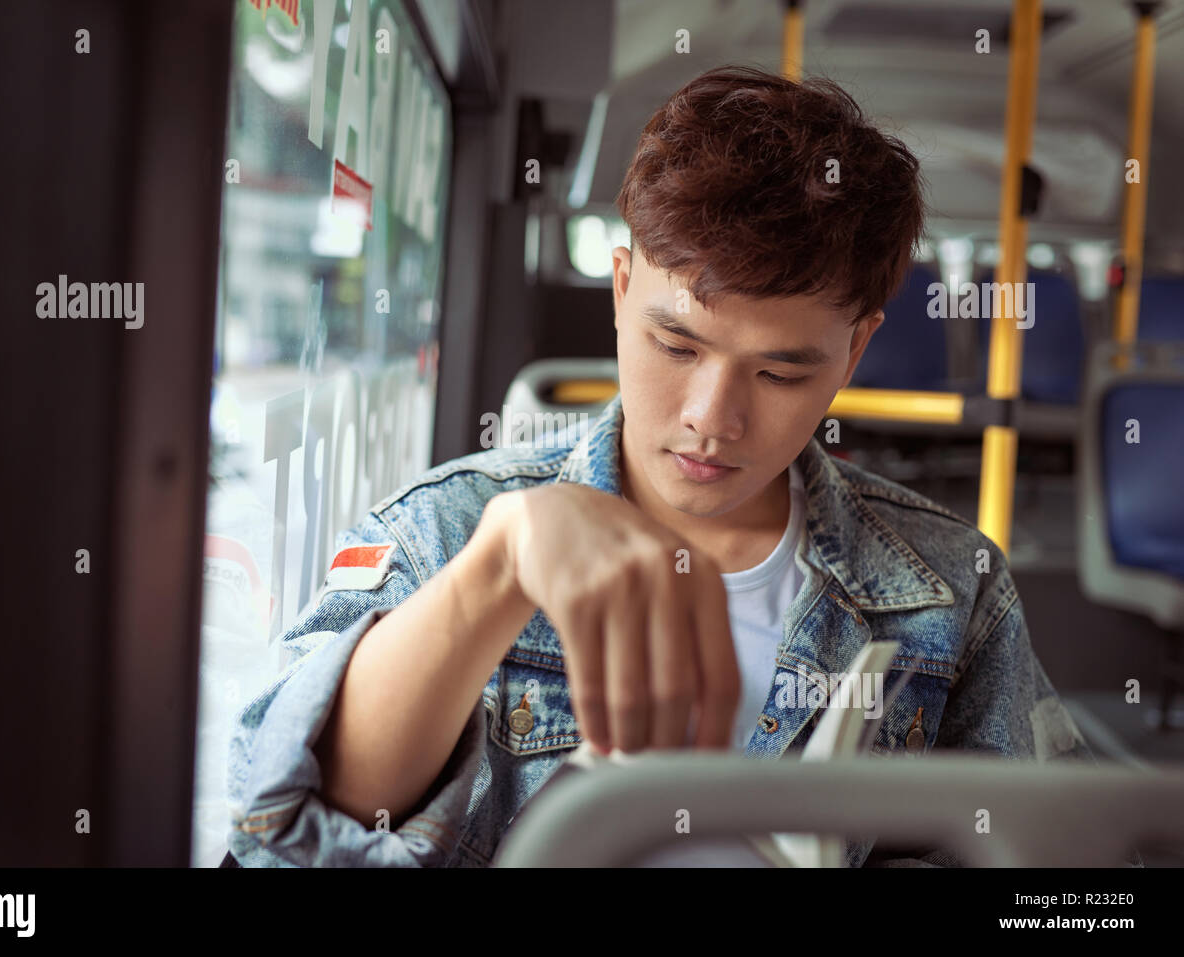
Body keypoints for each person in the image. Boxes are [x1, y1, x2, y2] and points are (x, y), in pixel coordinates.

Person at [224, 65, 1125, 868]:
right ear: (621, 291)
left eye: (781, 371)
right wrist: (492, 577)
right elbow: (286, 830)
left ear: (854, 355)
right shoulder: (444, 536)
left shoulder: (947, 594)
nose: (711, 418)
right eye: (674, 343)